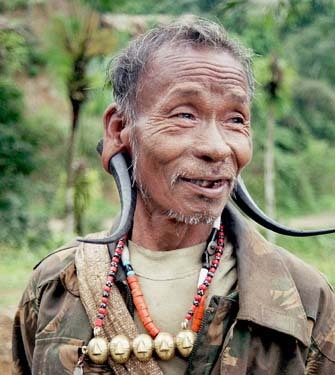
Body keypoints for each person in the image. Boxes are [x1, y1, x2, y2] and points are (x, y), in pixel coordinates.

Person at [12, 18, 335, 375]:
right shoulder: (54, 289)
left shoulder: (307, 302)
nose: (217, 147)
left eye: (235, 119)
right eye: (185, 114)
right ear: (120, 130)